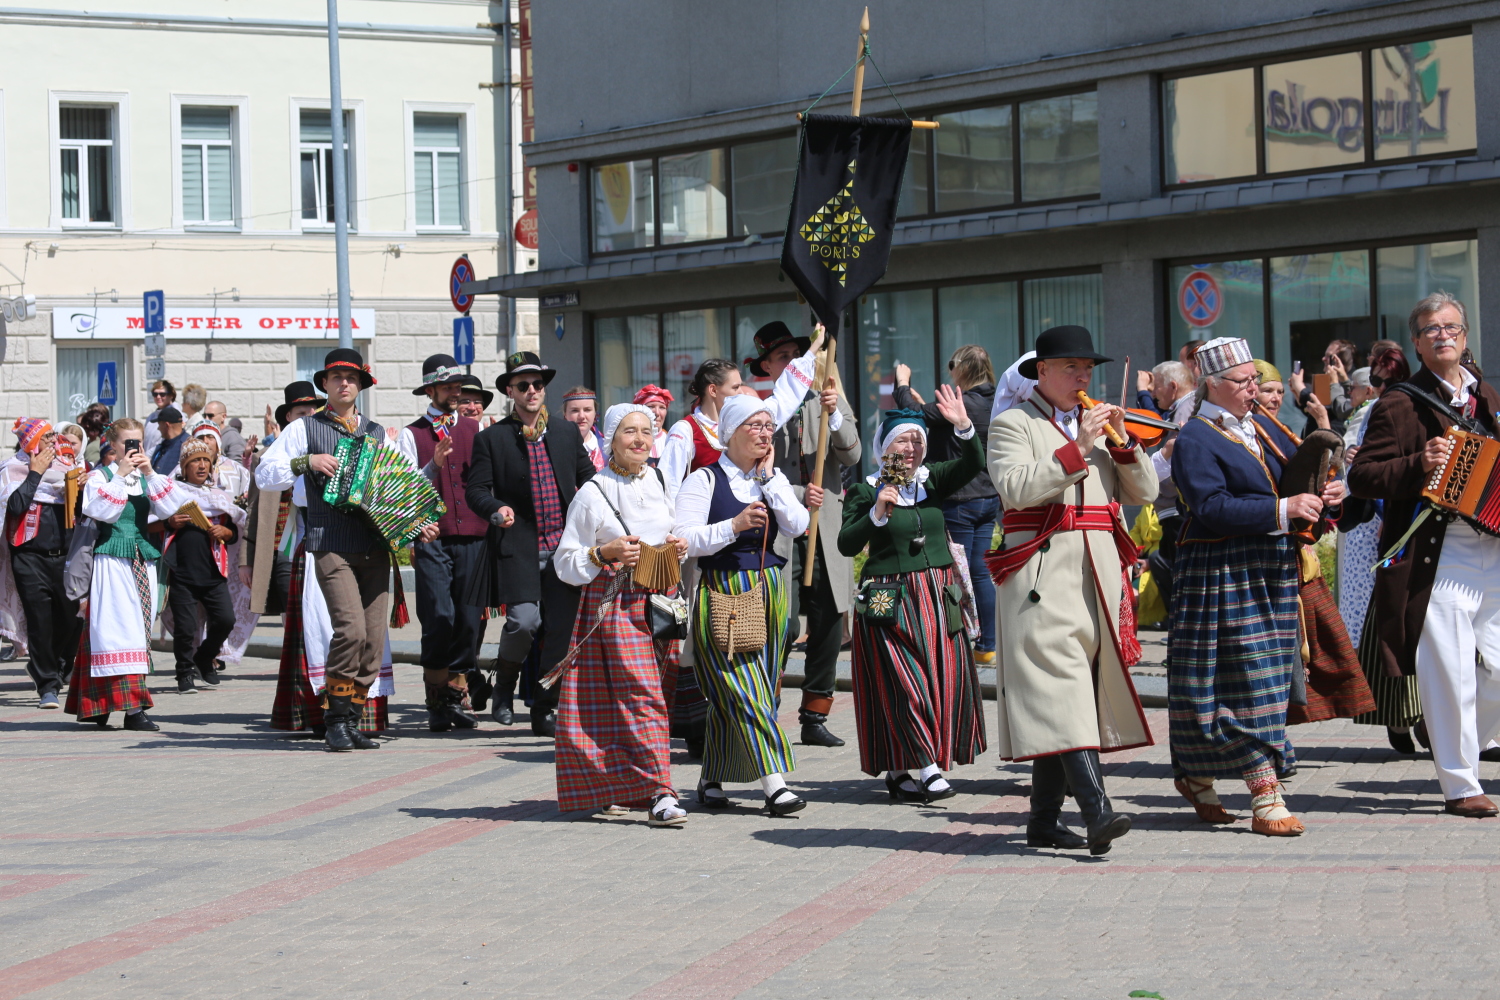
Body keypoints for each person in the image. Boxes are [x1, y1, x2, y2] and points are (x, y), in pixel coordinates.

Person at [989, 325, 1157, 855]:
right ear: (1041, 371)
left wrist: (1123, 444)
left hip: (1096, 580)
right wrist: (1079, 447)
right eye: (1071, 367)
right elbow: (1016, 488)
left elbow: (1147, 492)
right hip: (1039, 579)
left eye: (1087, 368)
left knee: (1068, 695)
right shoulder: (1012, 423)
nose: (1083, 377)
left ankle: (1042, 821)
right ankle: (1097, 812)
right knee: (1063, 693)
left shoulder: (1101, 428)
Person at [1168, 338, 1342, 836]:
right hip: (1220, 568)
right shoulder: (1195, 437)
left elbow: (1291, 483)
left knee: (1266, 674)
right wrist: (1282, 510)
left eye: (1254, 380)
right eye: (1243, 382)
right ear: (1212, 384)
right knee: (1240, 676)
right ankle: (1266, 795)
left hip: (1269, 567)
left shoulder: (1258, 427)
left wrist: (1324, 493)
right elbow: (1210, 506)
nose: (1254, 390)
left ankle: (1196, 774)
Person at [1348, 292, 1500, 817]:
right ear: (1416, 342)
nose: (1443, 336)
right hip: (1436, 552)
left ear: (1464, 336)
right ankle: (1461, 785)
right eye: (1432, 329)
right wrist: (1419, 463)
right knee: (1450, 671)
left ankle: (1450, 738)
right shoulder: (1399, 402)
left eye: (1451, 327)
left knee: (1497, 670)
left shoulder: (1486, 396)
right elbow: (1362, 477)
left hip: (1491, 544)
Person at [256, 348, 440, 752]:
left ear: (361, 385)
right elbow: (264, 475)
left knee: (373, 641)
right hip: (330, 542)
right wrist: (305, 462)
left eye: (352, 378)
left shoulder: (376, 433)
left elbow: (399, 486)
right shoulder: (304, 429)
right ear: (324, 384)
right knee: (350, 631)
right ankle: (335, 721)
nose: (344, 383)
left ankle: (352, 718)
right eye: (337, 377)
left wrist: (418, 522)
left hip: (374, 544)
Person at [840, 394, 987, 802]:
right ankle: (928, 767)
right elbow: (846, 544)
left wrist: (963, 426)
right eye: (903, 440)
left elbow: (975, 463)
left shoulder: (932, 479)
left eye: (918, 440)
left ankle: (900, 768)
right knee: (906, 684)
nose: (912, 448)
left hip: (937, 594)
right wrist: (876, 514)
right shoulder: (866, 490)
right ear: (884, 447)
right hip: (887, 596)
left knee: (942, 679)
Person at [674, 393, 814, 814]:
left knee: (753, 690)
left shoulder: (769, 478)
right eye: (755, 425)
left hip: (770, 589)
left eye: (769, 426)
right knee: (743, 687)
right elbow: (684, 539)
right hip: (724, 591)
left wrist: (770, 481)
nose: (765, 433)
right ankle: (775, 784)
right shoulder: (704, 480)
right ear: (731, 432)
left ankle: (711, 777)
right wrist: (732, 526)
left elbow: (799, 524)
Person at [553, 403, 690, 824]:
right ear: (610, 440)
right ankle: (661, 792)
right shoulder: (592, 493)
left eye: (646, 431)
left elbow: (668, 529)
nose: (640, 439)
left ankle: (620, 785)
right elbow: (564, 562)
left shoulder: (659, 479)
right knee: (643, 695)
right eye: (629, 432)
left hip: (662, 599)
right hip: (616, 602)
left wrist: (676, 545)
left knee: (651, 694)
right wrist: (604, 552)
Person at [464, 351, 597, 737]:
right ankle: (504, 685)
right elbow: (476, 490)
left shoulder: (565, 432)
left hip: (563, 548)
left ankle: (545, 705)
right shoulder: (491, 438)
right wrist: (496, 508)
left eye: (538, 384)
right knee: (524, 623)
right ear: (510, 391)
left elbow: (590, 480)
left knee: (561, 630)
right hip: (519, 548)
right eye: (523, 385)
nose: (532, 391)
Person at [1245, 362, 1375, 729]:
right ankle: (1270, 733)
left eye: (1278, 392)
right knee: (1268, 657)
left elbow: (1313, 480)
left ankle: (1279, 731)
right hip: (1257, 554)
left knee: (1315, 651)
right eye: (1266, 391)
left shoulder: (1281, 433)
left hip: (1298, 553)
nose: (1273, 398)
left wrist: (1331, 491)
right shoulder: (1238, 433)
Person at [756, 321, 859, 746]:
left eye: (796, 356)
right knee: (779, 622)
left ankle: (815, 716)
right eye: (782, 357)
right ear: (767, 366)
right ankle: (767, 708)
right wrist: (798, 493)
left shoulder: (827, 399)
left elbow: (851, 453)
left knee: (829, 619)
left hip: (825, 524)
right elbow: (755, 468)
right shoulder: (763, 409)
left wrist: (835, 417)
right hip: (780, 527)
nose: (793, 363)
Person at [68, 418, 186, 731]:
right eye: (127, 443)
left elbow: (173, 508)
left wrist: (149, 472)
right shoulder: (101, 476)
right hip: (111, 561)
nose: (134, 449)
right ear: (113, 444)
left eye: (139, 443)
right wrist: (120, 474)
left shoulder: (146, 478)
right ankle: (133, 709)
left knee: (137, 631)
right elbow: (101, 512)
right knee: (117, 632)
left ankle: (99, 704)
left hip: (142, 560)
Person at [396, 353, 487, 734]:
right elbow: (402, 488)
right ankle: (436, 699)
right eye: (448, 387)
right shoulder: (411, 434)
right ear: (430, 390)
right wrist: (432, 464)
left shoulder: (476, 428)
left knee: (468, 619)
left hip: (474, 535)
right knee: (438, 617)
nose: (455, 392)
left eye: (457, 386)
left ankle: (457, 693)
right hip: (431, 536)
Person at [894, 344, 999, 667]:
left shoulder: (964, 403)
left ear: (961, 369)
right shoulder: (994, 400)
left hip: (959, 499)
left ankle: (956, 643)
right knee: (979, 573)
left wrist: (901, 383)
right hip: (988, 498)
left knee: (953, 573)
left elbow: (913, 414)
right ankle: (988, 645)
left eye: (952, 364)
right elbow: (931, 413)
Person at [1341, 347, 1424, 753]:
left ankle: (1422, 719)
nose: (1380, 388)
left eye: (1385, 381)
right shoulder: (1379, 411)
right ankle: (1400, 718)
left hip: (1410, 526)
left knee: (1410, 626)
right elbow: (1364, 475)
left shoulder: (1418, 405)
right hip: (1385, 531)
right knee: (1388, 625)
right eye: (1376, 381)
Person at [659, 328, 835, 494]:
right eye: (735, 387)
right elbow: (668, 486)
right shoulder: (685, 430)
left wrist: (813, 348)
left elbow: (784, 397)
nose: (741, 392)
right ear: (713, 390)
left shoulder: (748, 420)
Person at [0, 420, 84, 710]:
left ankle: (50, 667)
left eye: (53, 435)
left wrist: (82, 487)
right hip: (29, 557)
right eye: (46, 436)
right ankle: (48, 685)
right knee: (40, 622)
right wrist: (35, 473)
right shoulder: (13, 468)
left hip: (65, 556)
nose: (52, 441)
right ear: (31, 441)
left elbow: (81, 512)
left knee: (70, 619)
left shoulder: (66, 467)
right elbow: (14, 507)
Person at [160, 437, 243, 694]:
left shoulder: (218, 497)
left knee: (226, 620)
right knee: (185, 629)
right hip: (182, 573)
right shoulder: (170, 494)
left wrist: (226, 533)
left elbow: (235, 530)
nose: (202, 465)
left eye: (206, 460)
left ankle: (204, 657)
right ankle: (184, 673)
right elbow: (152, 521)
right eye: (195, 461)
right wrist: (170, 522)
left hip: (213, 573)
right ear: (184, 467)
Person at [1288, 339, 1356, 438]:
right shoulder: (1328, 381)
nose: (1323, 359)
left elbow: (1327, 409)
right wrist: (1299, 398)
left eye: (1329, 356)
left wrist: (1300, 388)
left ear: (1339, 360)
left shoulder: (1352, 383)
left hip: (1333, 440)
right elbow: (1316, 413)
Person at [562, 386, 606, 472]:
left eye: (587, 410)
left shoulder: (607, 448)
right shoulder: (556, 447)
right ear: (565, 414)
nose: (581, 416)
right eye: (575, 410)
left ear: (595, 413)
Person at [633, 384, 674, 466]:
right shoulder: (632, 441)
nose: (657, 413)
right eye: (651, 407)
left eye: (662, 407)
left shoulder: (671, 441)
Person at [150, 407, 187, 478]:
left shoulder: (188, 446)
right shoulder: (163, 446)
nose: (158, 428)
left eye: (159, 424)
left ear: (166, 425)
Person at [143, 380, 176, 456]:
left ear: (171, 395)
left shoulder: (175, 415)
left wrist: (147, 456)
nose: (158, 397)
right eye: (155, 394)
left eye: (162, 394)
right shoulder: (151, 417)